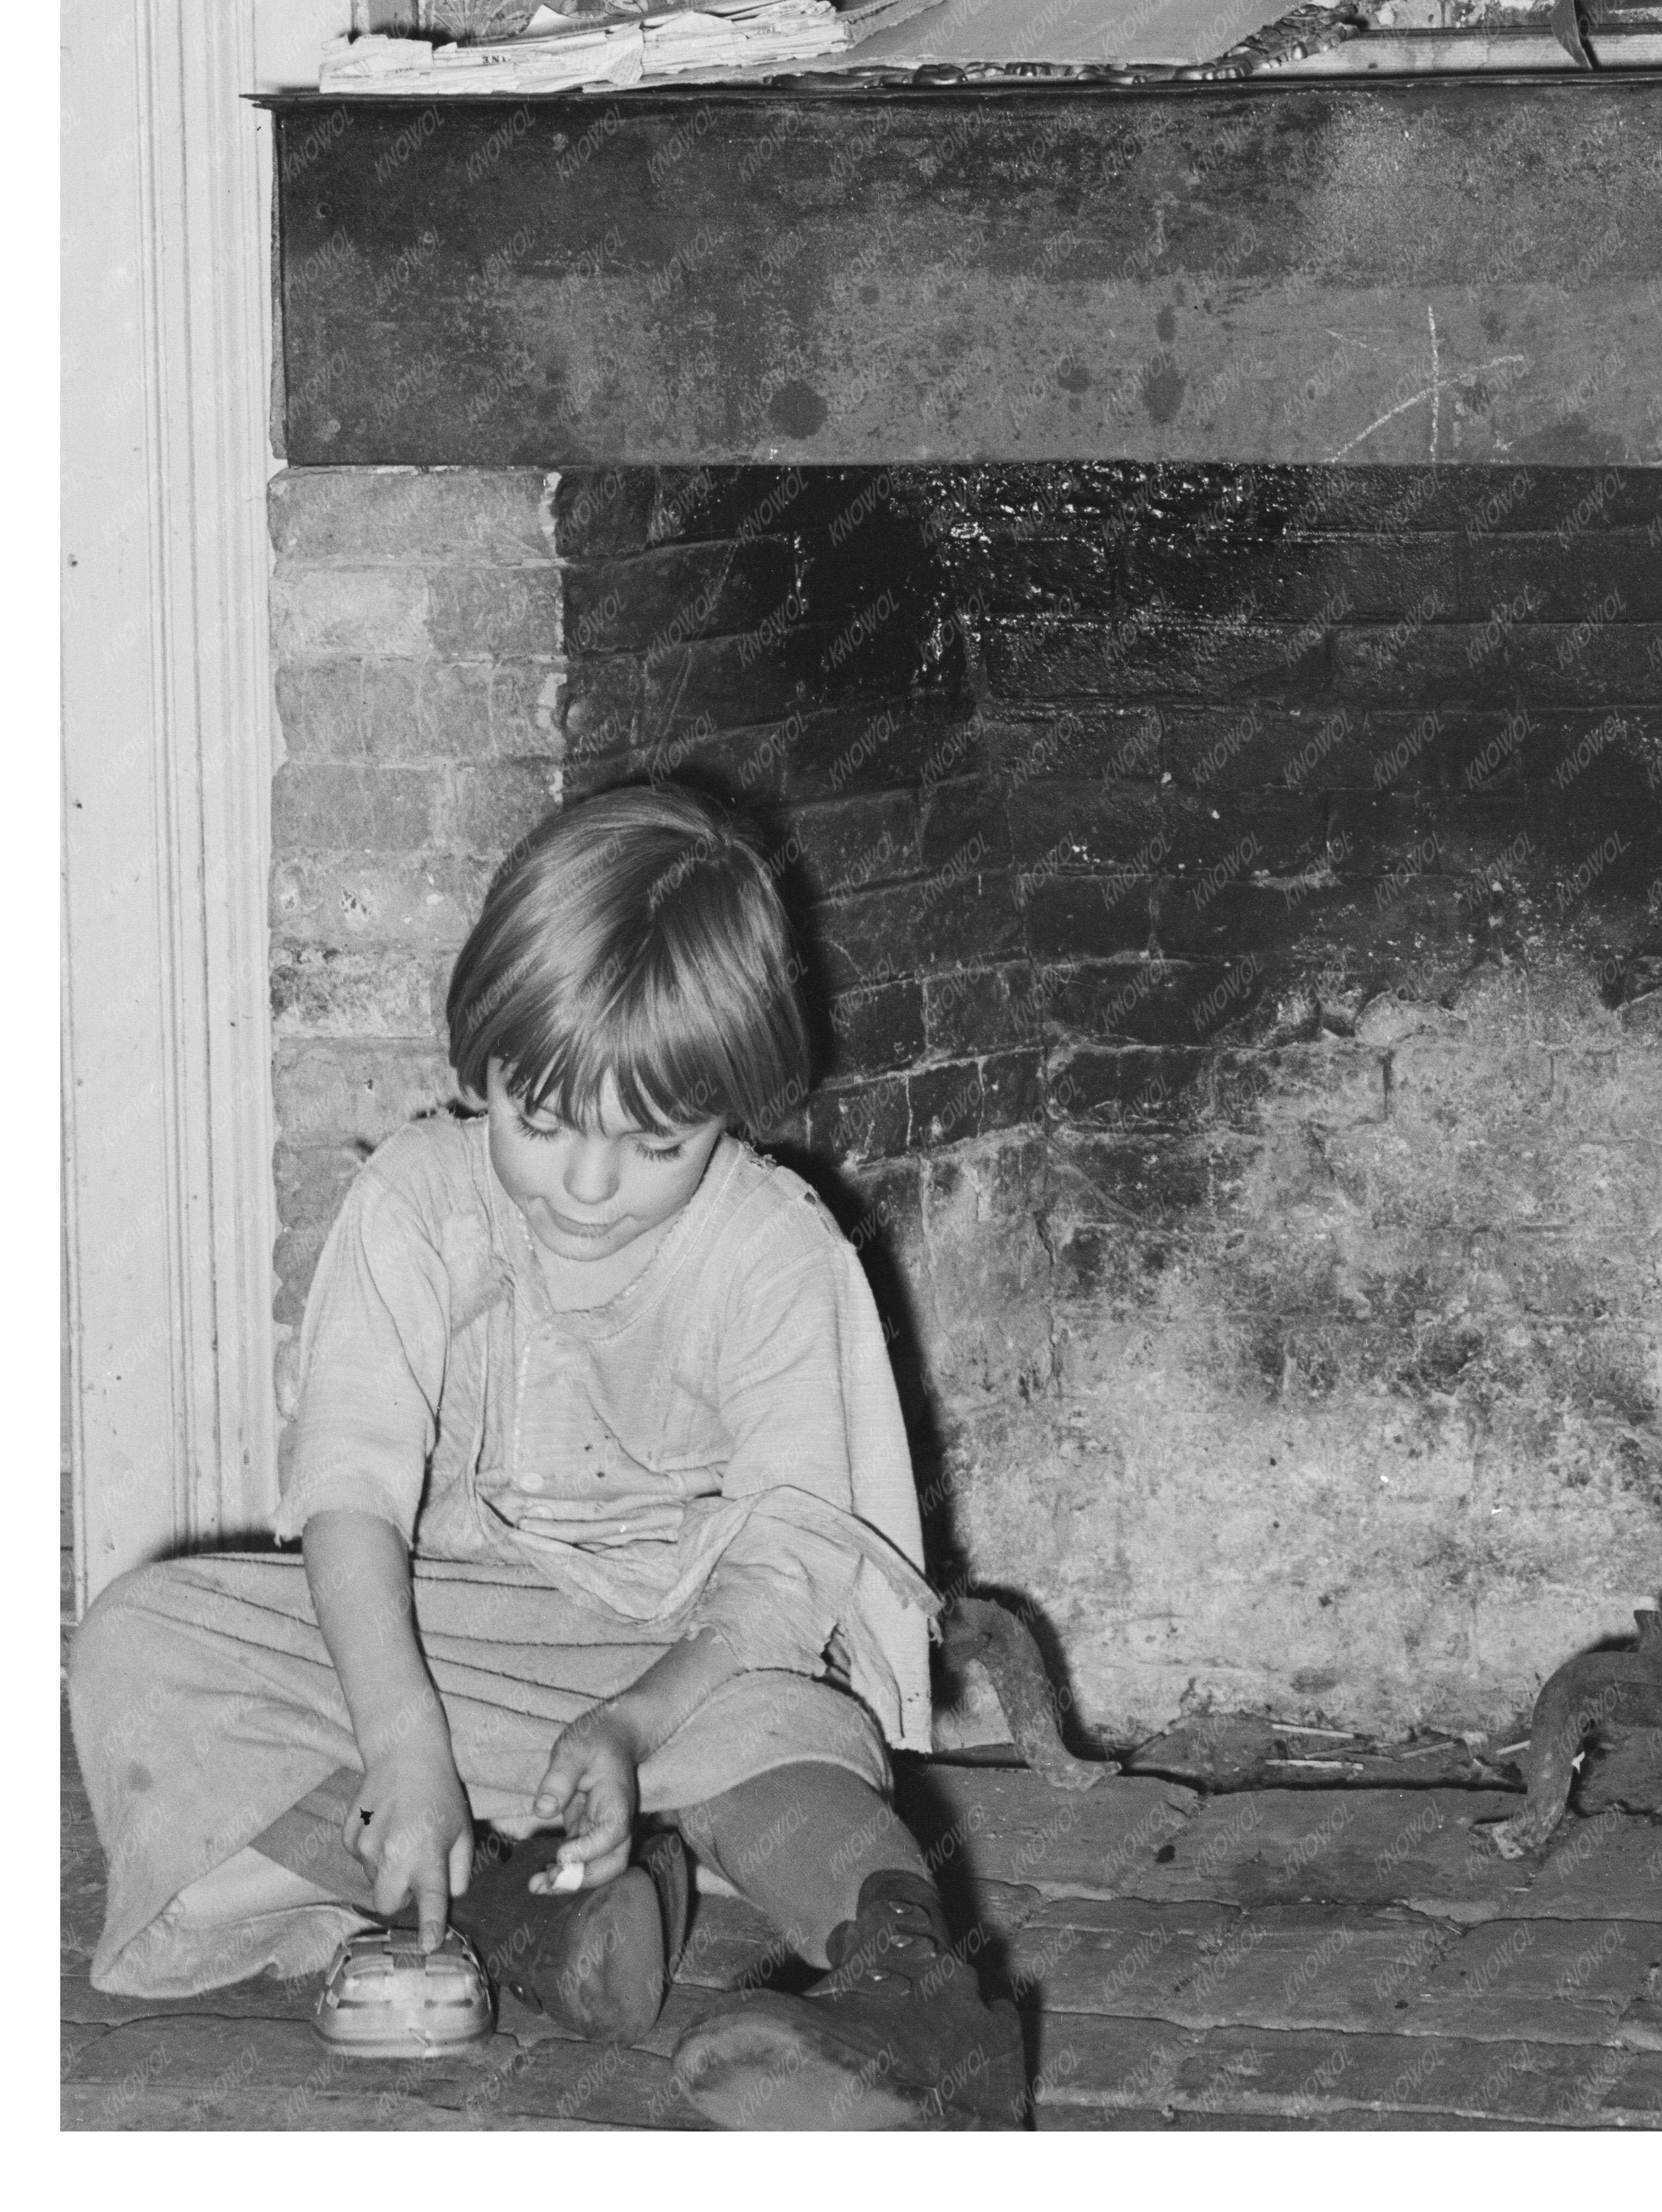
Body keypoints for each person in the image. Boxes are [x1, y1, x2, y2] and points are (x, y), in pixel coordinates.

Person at [65, 784, 1025, 2130]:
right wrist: (402, 1740)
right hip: (468, 1649)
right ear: (485, 1061)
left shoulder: (773, 1251)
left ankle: (915, 1997)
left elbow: (786, 1573)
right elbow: (348, 1489)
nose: (586, 1186)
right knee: (134, 1639)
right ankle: (531, 1908)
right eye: (543, 1119)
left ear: (735, 1102)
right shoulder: (415, 1202)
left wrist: (633, 1721)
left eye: (655, 1142)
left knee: (792, 1732)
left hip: (694, 1666)